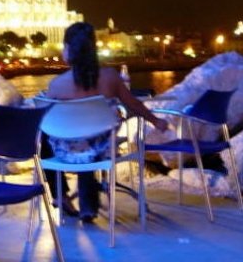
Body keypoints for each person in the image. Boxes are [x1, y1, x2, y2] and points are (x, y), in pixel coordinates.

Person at [45, 22, 169, 222]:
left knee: (61, 136)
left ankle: (61, 195)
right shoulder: (111, 77)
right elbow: (134, 104)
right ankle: (87, 201)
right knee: (92, 136)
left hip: (67, 153)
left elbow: (49, 122)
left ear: (68, 50)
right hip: (103, 150)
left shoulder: (56, 85)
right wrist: (156, 121)